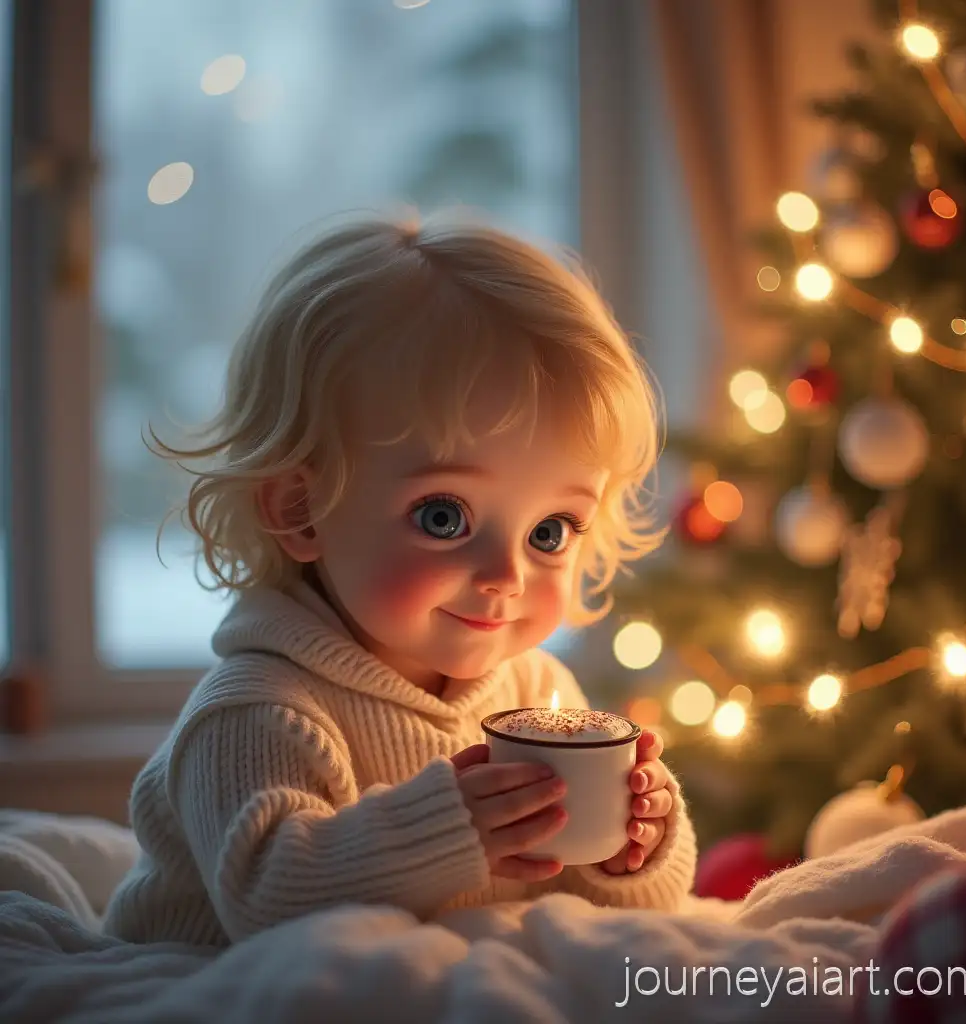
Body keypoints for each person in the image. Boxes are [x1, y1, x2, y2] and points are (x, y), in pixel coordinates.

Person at [103, 211, 698, 946]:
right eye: (444, 517)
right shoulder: (259, 711)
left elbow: (645, 915)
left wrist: (632, 847)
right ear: (301, 509)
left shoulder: (538, 694)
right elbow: (267, 901)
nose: (506, 574)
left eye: (551, 531)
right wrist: (449, 829)